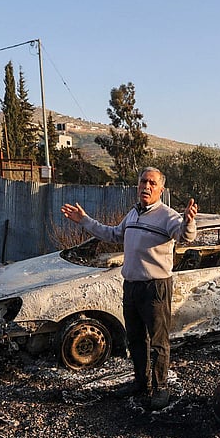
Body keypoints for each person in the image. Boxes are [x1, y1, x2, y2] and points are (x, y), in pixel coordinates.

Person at [60, 167, 197, 409]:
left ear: (161, 190)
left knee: (158, 341)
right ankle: (141, 382)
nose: (147, 186)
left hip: (155, 288)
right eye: (143, 181)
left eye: (152, 183)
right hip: (131, 286)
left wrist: (189, 222)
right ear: (137, 185)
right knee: (134, 338)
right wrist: (84, 220)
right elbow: (113, 235)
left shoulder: (168, 216)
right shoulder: (133, 214)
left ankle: (161, 387)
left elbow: (185, 236)